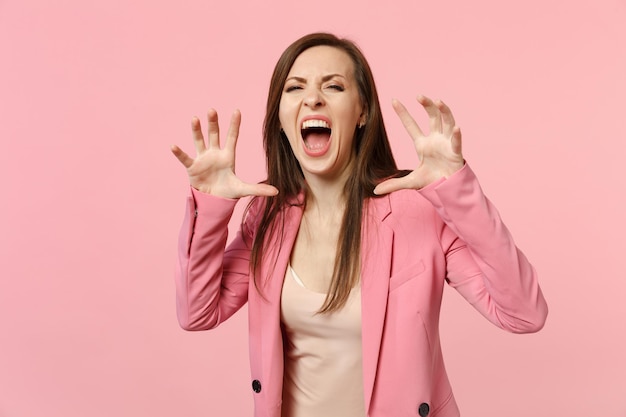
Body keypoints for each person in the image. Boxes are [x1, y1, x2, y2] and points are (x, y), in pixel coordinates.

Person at [170, 32, 548, 417]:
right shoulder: (266, 216)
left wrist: (456, 189)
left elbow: (523, 314)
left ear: (362, 112)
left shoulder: (418, 210)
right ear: (281, 120)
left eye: (333, 86)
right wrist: (212, 205)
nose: (312, 98)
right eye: (295, 87)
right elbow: (197, 313)